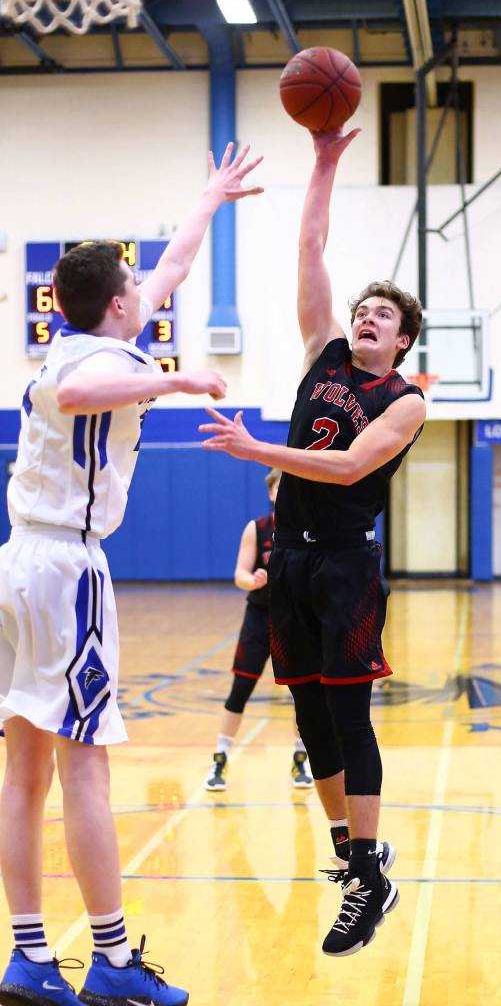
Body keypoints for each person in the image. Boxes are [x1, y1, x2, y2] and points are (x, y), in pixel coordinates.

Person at [0, 142, 262, 1006]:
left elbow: (175, 263)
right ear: (119, 305)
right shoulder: (94, 365)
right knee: (84, 769)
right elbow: (80, 397)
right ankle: (112, 962)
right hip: (64, 573)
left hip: (21, 563)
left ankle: (30, 958)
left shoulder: (90, 342)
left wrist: (211, 198)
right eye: (136, 288)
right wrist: (176, 380)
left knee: (25, 772)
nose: (149, 292)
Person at [199, 126, 426, 958]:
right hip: (289, 561)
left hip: (345, 564)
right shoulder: (319, 353)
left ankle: (367, 876)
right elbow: (310, 247)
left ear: (401, 341)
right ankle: (352, 855)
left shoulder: (406, 402)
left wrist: (258, 449)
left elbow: (348, 466)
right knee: (308, 713)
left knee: (349, 714)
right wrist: (325, 161)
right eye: (362, 310)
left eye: (382, 316)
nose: (366, 318)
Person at [204, 468, 314, 792]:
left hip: (295, 620)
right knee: (241, 688)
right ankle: (220, 758)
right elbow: (239, 573)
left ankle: (301, 759)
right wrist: (251, 581)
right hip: (260, 618)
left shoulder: (309, 529)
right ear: (270, 493)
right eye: (279, 486)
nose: (285, 491)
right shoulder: (257, 528)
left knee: (304, 694)